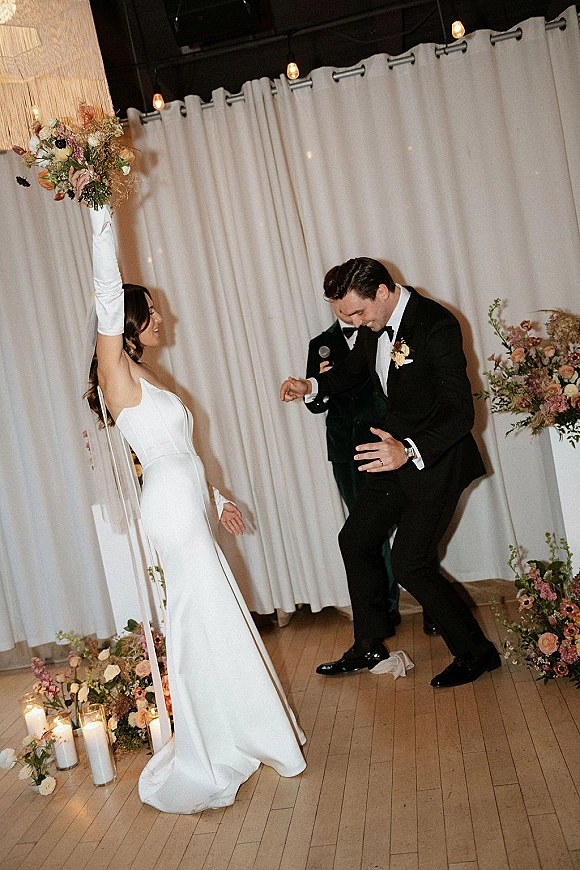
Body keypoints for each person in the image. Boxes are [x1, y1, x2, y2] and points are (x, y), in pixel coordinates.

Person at [73, 168, 305, 813]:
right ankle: (213, 742)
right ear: (132, 321)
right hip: (170, 511)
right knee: (200, 617)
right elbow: (103, 292)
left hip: (187, 500)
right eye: (155, 313)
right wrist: (98, 209)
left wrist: (223, 498)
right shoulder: (116, 374)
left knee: (211, 614)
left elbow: (186, 455)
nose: (164, 318)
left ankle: (237, 728)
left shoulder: (151, 377)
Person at [281, 257, 500, 688]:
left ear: (383, 291)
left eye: (358, 312)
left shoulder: (437, 325)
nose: (355, 323)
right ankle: (369, 644)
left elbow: (460, 414)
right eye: (345, 317)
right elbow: (355, 369)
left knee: (409, 563)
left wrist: (409, 451)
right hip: (393, 453)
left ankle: (478, 653)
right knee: (355, 539)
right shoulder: (373, 326)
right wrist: (313, 386)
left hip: (436, 459)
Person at [306, 288, 436, 637]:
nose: (348, 315)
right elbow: (315, 403)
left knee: (416, 526)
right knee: (362, 534)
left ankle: (432, 609)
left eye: (351, 307)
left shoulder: (382, 328)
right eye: (338, 307)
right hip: (347, 449)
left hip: (388, 441)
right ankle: (383, 614)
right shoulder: (321, 343)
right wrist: (315, 385)